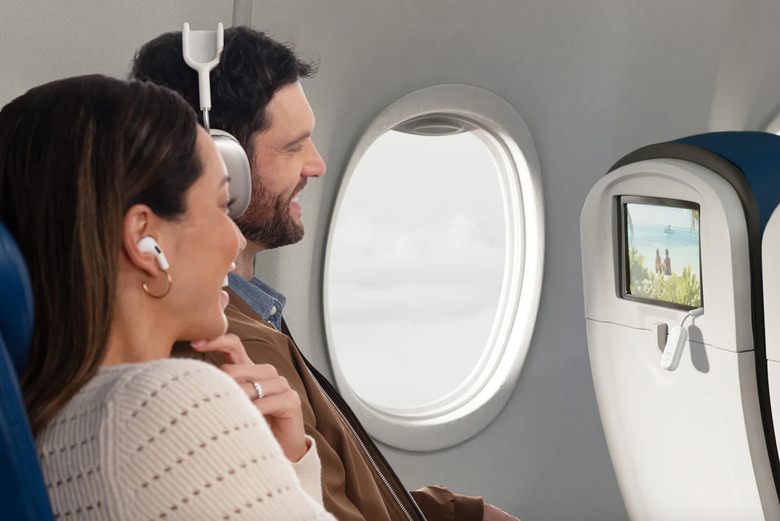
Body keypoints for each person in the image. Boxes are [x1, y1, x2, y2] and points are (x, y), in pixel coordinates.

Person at [131, 27, 519, 521]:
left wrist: (455, 513)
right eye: (293, 147)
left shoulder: (253, 313)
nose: (317, 164)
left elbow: (336, 491)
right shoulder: (225, 350)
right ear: (219, 165)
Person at [0, 75, 336, 520]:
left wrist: (281, 459)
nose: (235, 240)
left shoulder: (49, 425)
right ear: (144, 239)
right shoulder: (167, 400)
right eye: (220, 206)